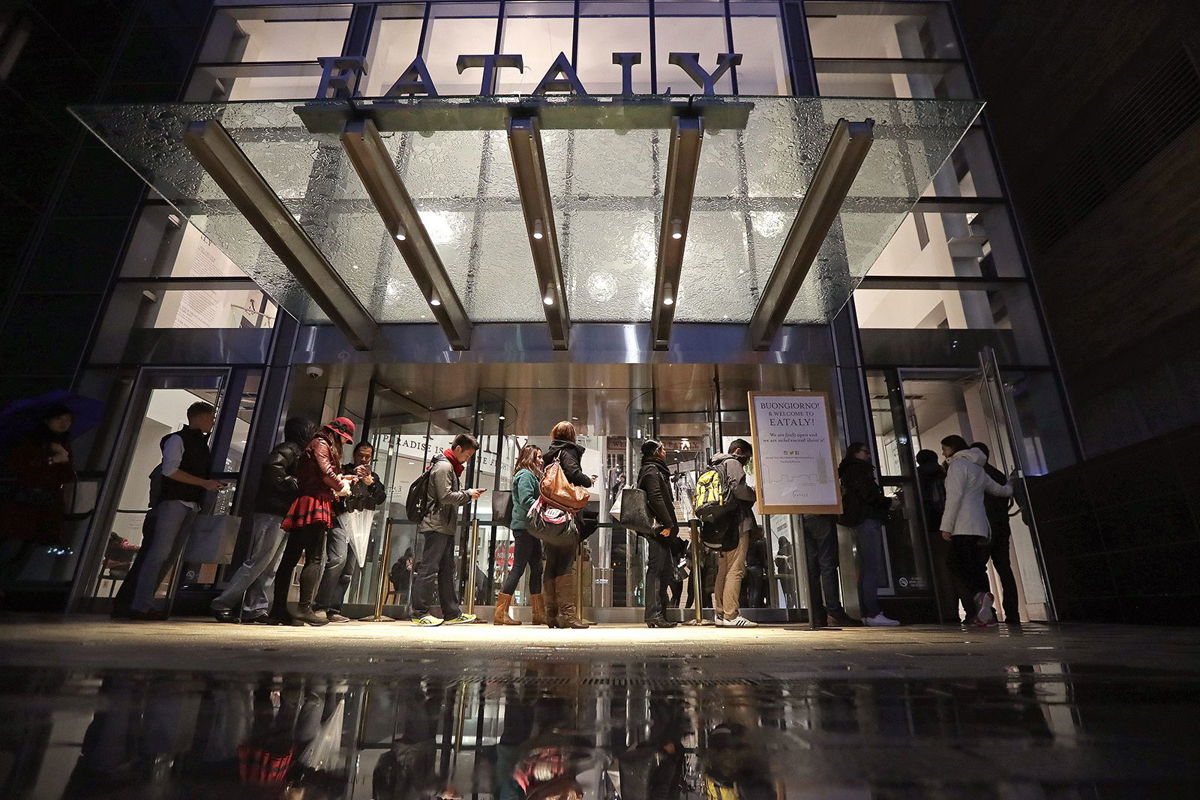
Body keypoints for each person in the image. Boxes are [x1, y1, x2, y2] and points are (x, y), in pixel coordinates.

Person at [210, 417, 315, 624]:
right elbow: (272, 467)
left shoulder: (294, 450)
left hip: (280, 512)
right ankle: (223, 602)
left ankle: (255, 607)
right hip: (273, 512)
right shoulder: (289, 448)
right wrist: (292, 483)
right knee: (260, 561)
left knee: (269, 564)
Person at [128, 401, 223, 620]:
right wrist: (203, 483)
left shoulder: (197, 443)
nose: (212, 422)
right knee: (160, 553)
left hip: (188, 503)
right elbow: (170, 470)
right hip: (175, 502)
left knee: (168, 554)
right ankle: (140, 603)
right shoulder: (178, 439)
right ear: (198, 417)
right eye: (210, 417)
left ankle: (144, 602)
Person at [268, 417, 355, 627]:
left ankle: (279, 609)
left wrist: (342, 480)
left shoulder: (319, 443)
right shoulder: (322, 443)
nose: (344, 443)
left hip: (309, 500)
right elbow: (325, 471)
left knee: (292, 556)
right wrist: (340, 484)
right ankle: (303, 608)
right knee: (314, 557)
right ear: (337, 433)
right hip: (314, 501)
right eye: (344, 438)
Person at [0, 405, 77, 603]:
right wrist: (53, 460)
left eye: (68, 420)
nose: (64, 423)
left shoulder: (63, 445)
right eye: (59, 418)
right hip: (24, 503)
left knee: (25, 549)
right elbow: (21, 466)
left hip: (46, 505)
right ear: (47, 420)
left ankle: (7, 588)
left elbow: (67, 476)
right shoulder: (31, 442)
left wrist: (64, 459)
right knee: (13, 544)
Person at [939, 435, 1014, 627]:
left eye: (945, 448)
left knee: (955, 564)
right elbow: (1000, 491)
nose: (943, 453)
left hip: (962, 525)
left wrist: (946, 527)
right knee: (974, 565)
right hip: (980, 526)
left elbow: (953, 498)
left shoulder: (957, 466)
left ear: (952, 448)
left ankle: (980, 596)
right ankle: (985, 612)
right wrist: (1011, 484)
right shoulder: (977, 468)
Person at [411, 433, 485, 627]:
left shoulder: (449, 466)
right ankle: (420, 612)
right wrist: (468, 494)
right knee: (429, 568)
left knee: (446, 569)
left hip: (443, 525)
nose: (467, 459)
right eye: (467, 455)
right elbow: (445, 496)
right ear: (458, 448)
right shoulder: (444, 466)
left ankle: (451, 612)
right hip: (436, 524)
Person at [314, 441, 387, 623]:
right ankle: (320, 606)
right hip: (340, 520)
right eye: (360, 455)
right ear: (354, 455)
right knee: (337, 560)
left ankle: (334, 608)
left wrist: (370, 483)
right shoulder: (343, 470)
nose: (363, 459)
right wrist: (346, 479)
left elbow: (380, 498)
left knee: (348, 569)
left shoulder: (374, 477)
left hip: (360, 525)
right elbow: (332, 488)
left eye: (367, 456)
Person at [837, 442, 900, 627]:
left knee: (865, 567)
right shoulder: (859, 470)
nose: (868, 455)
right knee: (871, 566)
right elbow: (868, 494)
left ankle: (867, 612)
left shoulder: (848, 470)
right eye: (865, 452)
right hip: (867, 519)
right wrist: (888, 502)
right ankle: (872, 611)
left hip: (858, 520)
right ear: (856, 453)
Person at [542, 420, 593, 630]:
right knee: (564, 564)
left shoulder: (549, 455)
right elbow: (573, 474)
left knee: (551, 563)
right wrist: (588, 480)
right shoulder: (568, 452)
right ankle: (568, 616)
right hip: (566, 515)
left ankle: (551, 615)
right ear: (572, 436)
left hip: (549, 516)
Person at [709, 439, 760, 628]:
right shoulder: (733, 462)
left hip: (721, 525)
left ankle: (720, 613)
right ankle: (731, 615)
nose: (746, 462)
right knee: (736, 569)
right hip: (736, 523)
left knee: (723, 569)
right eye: (746, 457)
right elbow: (739, 490)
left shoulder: (716, 464)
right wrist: (755, 494)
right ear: (738, 451)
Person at [495, 444, 546, 626]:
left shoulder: (532, 475)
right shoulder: (525, 475)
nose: (541, 460)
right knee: (518, 568)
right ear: (529, 458)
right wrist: (544, 508)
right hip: (524, 527)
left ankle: (538, 614)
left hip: (530, 528)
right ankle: (501, 613)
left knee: (537, 568)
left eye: (541, 457)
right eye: (538, 457)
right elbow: (526, 500)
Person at [972, 442, 1021, 625]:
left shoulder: (977, 475)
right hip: (1002, 527)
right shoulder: (999, 475)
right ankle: (1012, 614)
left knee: (978, 568)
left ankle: (987, 610)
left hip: (985, 528)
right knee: (1004, 569)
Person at [638, 439, 679, 629]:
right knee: (656, 570)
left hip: (662, 528)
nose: (665, 452)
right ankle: (654, 615)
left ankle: (660, 613)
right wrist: (668, 523)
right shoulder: (651, 471)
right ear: (655, 452)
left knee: (665, 570)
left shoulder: (655, 470)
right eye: (662, 449)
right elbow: (655, 497)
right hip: (658, 528)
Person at [800, 514, 859, 627]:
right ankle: (834, 612)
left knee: (812, 570)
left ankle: (817, 614)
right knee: (827, 565)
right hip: (821, 513)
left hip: (803, 516)